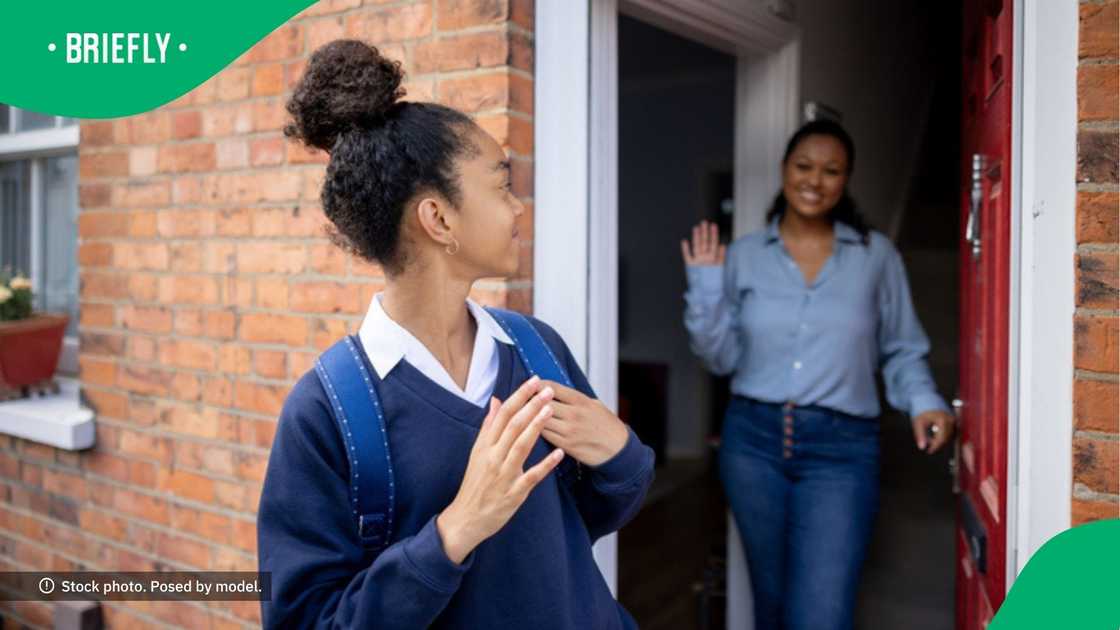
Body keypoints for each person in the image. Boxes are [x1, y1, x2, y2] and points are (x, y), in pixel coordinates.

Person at [257, 39, 655, 629]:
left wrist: (621, 455)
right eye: (500, 186)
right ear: (438, 219)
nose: (518, 208)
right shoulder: (327, 412)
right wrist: (454, 532)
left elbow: (577, 523)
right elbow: (307, 621)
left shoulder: (536, 348)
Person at [680, 119, 955, 630]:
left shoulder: (875, 257)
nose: (815, 180)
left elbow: (902, 347)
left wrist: (925, 402)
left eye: (832, 171)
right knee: (772, 602)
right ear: (784, 170)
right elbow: (719, 360)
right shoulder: (741, 258)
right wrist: (705, 288)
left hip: (841, 451)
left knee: (821, 614)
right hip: (752, 444)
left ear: (846, 180)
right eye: (804, 166)